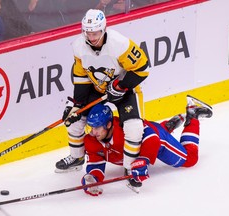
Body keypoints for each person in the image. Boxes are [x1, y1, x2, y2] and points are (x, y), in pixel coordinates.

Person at [56, 9, 149, 189]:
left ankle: (130, 168)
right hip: (97, 89)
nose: (91, 37)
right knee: (74, 120)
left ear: (104, 29)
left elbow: (143, 68)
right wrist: (77, 104)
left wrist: (121, 86)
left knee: (134, 127)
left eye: (95, 33)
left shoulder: (119, 44)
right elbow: (81, 76)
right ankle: (76, 157)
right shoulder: (78, 46)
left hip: (124, 89)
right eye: (88, 33)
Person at [80, 95, 213, 195]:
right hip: (146, 131)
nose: (93, 132)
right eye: (91, 127)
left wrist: (144, 159)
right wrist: (93, 177)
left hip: (156, 139)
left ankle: (193, 115)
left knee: (190, 159)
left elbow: (152, 138)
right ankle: (169, 125)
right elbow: (96, 163)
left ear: (108, 125)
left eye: (97, 127)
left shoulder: (125, 128)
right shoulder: (91, 140)